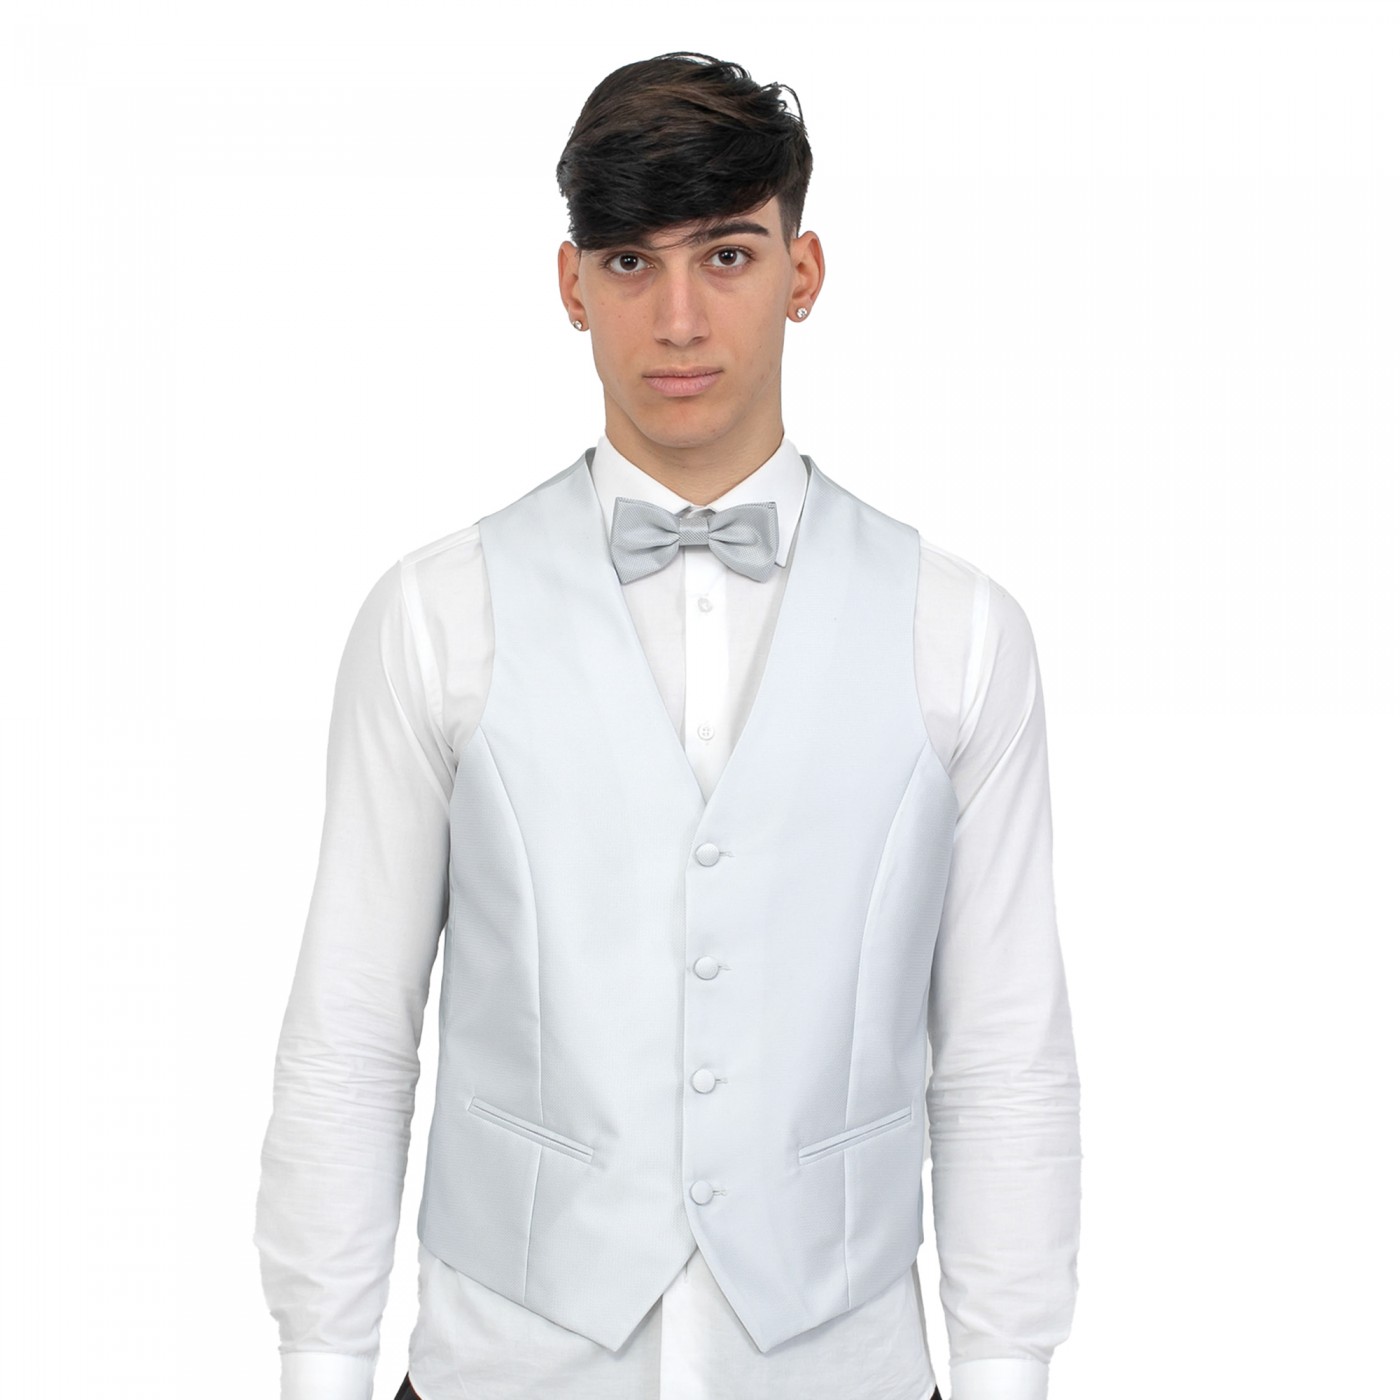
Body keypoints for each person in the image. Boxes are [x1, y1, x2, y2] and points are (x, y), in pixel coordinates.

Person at [254, 51, 1082, 1400]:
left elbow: (1002, 1052)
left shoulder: (962, 631)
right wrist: (319, 1365)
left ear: (804, 272)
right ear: (571, 285)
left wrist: (1007, 1371)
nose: (680, 318)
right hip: (505, 1371)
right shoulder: (435, 616)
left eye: (728, 256)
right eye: (632, 263)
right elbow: (351, 1029)